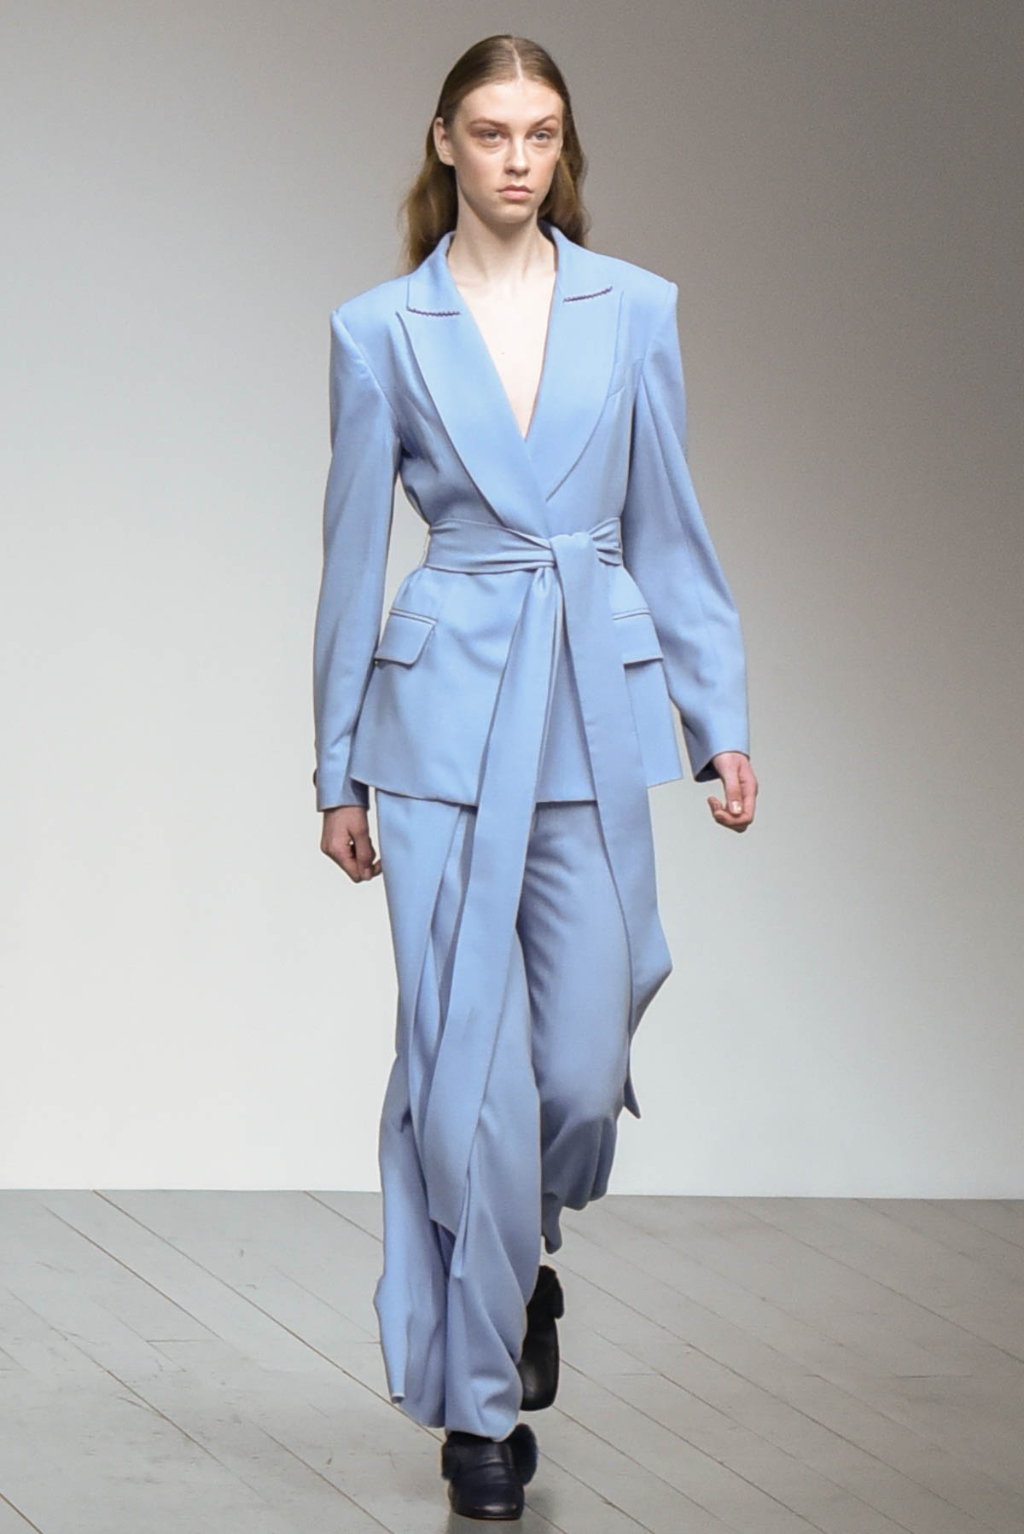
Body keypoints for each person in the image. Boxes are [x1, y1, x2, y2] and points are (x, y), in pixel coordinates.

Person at [312, 32, 758, 1522]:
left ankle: (519, 1262)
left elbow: (671, 524)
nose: (518, 158)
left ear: (565, 149)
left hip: (589, 704)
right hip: (439, 723)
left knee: (575, 1071)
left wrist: (717, 717)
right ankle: (482, 1411)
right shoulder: (379, 329)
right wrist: (336, 768)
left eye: (543, 132)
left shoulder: (639, 309)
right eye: (493, 131)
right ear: (444, 141)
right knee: (467, 1083)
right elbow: (350, 560)